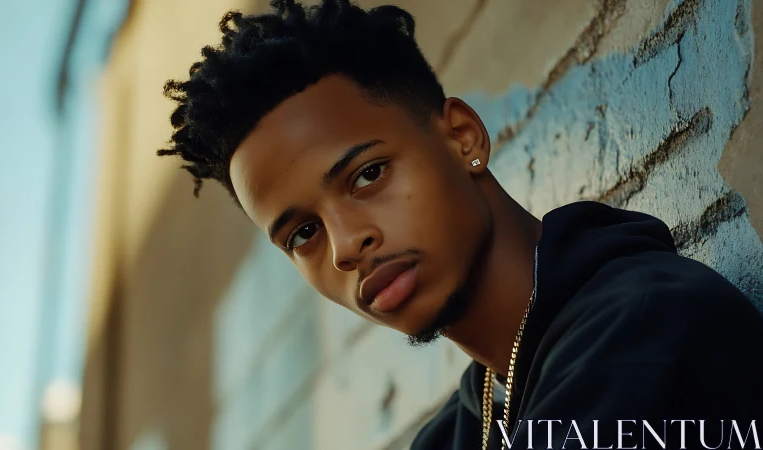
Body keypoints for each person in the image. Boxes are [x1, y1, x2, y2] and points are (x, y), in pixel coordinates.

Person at [157, 1, 763, 448]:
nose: (346, 246)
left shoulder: (648, 328)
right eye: (302, 235)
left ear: (462, 138)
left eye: (367, 176)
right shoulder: (458, 432)